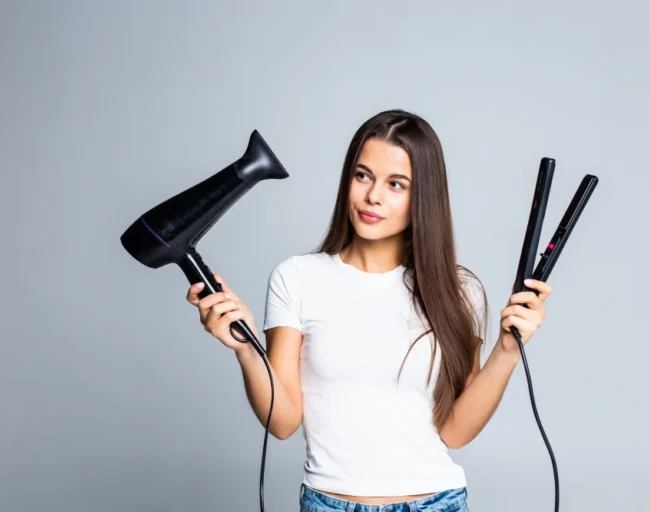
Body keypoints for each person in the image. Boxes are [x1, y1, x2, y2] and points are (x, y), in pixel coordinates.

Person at [185, 109, 552, 511]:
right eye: (363, 176)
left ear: (423, 197)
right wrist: (245, 349)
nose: (373, 196)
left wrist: (507, 351)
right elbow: (283, 422)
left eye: (396, 184)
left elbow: (456, 432)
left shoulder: (459, 290)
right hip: (328, 503)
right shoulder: (297, 278)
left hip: (437, 502)